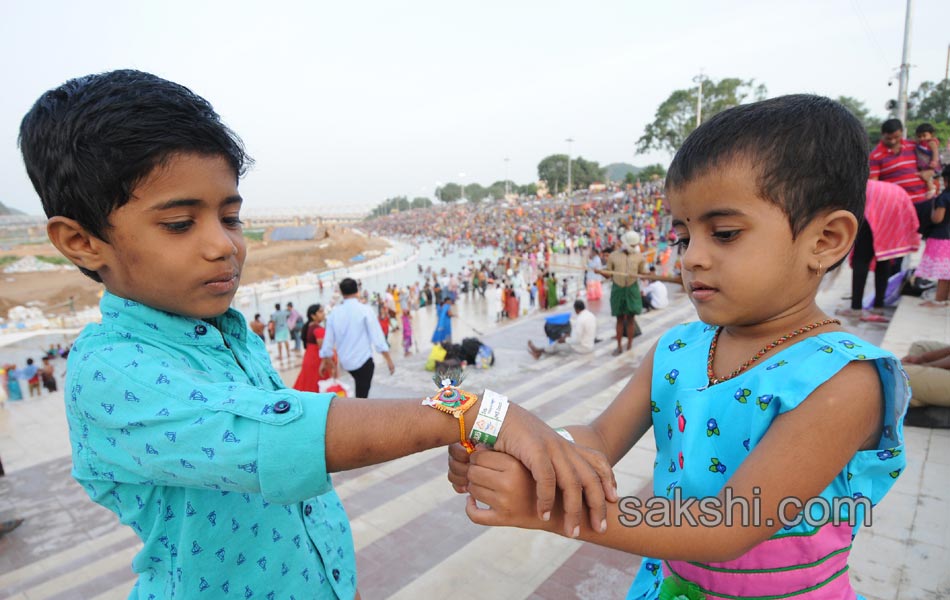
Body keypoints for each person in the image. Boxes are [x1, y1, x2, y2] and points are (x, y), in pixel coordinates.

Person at [22, 69, 616, 598]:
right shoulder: (110, 371)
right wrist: (473, 410)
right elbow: (276, 436)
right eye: (180, 224)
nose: (223, 244)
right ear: (80, 241)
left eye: (230, 217)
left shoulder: (228, 331)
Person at [448, 95, 912, 600]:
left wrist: (552, 509)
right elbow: (601, 437)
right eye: (683, 235)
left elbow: (731, 525)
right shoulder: (678, 347)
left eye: (725, 233)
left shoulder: (843, 382)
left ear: (825, 240)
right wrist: (530, 451)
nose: (692, 258)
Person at [837, 179, 920, 320]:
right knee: (884, 259)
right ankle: (878, 307)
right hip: (893, 210)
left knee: (861, 260)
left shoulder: (853, 187)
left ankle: (856, 308)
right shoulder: (875, 185)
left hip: (874, 212)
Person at [321, 278, 395, 398]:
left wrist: (326, 362)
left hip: (346, 362)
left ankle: (357, 411)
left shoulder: (334, 314)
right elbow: (378, 338)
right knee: (362, 396)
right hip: (363, 361)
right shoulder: (365, 310)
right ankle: (358, 414)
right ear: (357, 291)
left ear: (341, 292)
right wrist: (389, 360)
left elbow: (328, 343)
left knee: (360, 393)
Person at [870, 118, 930, 233]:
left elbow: (933, 164)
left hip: (923, 202)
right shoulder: (875, 156)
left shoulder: (913, 146)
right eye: (889, 138)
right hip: (898, 207)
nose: (893, 141)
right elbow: (874, 185)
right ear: (882, 135)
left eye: (896, 137)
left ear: (902, 132)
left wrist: (930, 172)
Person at [599, 230, 648, 355]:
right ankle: (619, 346)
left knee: (631, 318)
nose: (633, 248)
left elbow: (643, 273)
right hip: (618, 288)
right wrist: (601, 272)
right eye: (631, 245)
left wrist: (646, 275)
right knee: (619, 318)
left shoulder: (639, 257)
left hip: (632, 288)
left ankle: (630, 345)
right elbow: (608, 275)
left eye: (634, 246)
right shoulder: (613, 256)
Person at [915, 166, 950, 307]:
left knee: (943, 274)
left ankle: (939, 300)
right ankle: (946, 300)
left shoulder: (943, 198)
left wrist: (931, 211)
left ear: (945, 180)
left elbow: (937, 219)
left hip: (941, 238)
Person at [528, 299, 597, 358]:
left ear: (576, 309)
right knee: (559, 342)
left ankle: (538, 351)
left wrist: (565, 339)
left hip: (583, 349)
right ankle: (538, 353)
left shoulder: (581, 319)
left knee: (557, 345)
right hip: (590, 345)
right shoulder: (591, 315)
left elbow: (577, 340)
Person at [293, 304, 331, 392]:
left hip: (309, 359)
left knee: (307, 385)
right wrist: (328, 363)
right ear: (313, 315)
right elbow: (323, 349)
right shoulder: (318, 329)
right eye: (320, 312)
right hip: (317, 361)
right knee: (318, 387)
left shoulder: (309, 326)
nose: (323, 314)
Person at [915, 123, 942, 199]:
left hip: (931, 165)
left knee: (928, 177)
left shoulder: (932, 143)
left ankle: (932, 189)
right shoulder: (919, 144)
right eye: (919, 136)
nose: (922, 138)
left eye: (924, 135)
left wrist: (934, 161)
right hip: (924, 165)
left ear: (931, 135)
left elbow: (935, 152)